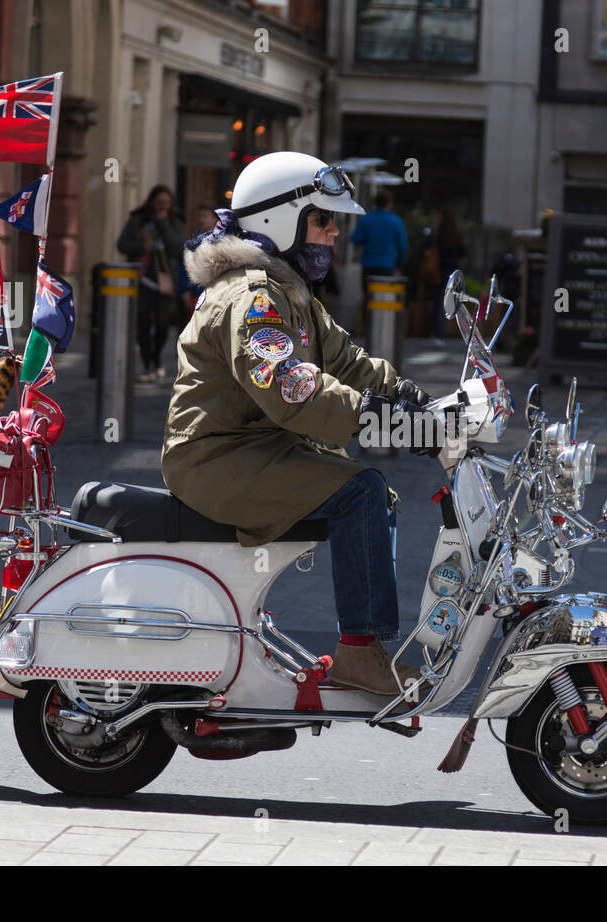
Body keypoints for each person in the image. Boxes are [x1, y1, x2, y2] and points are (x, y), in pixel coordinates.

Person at [162, 151, 438, 697]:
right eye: (323, 219)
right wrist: (375, 418)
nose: (335, 233)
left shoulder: (289, 292)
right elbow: (289, 385)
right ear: (278, 221)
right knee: (362, 491)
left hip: (254, 448)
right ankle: (361, 653)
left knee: (366, 491)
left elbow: (347, 363)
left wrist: (420, 402)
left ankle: (364, 648)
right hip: (216, 459)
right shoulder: (251, 298)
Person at [117, 185, 187, 383]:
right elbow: (122, 244)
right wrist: (142, 246)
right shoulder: (139, 219)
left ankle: (157, 358)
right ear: (151, 202)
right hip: (141, 279)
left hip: (166, 280)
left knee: (163, 325)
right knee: (143, 323)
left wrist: (163, 224)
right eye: (159, 203)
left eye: (166, 203)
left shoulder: (175, 221)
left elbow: (177, 248)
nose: (162, 207)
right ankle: (148, 364)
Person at [350, 190, 407, 329]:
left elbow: (355, 239)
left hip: (368, 264)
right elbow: (403, 247)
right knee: (385, 297)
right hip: (387, 266)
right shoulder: (396, 221)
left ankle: (367, 326)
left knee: (368, 296)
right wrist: (398, 264)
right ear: (389, 204)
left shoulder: (365, 219)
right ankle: (383, 326)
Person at [426, 206, 466, 346]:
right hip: (452, 272)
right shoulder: (456, 233)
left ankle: (435, 333)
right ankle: (439, 333)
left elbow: (426, 247)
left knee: (437, 302)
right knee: (447, 303)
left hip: (438, 271)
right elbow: (463, 252)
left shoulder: (436, 233)